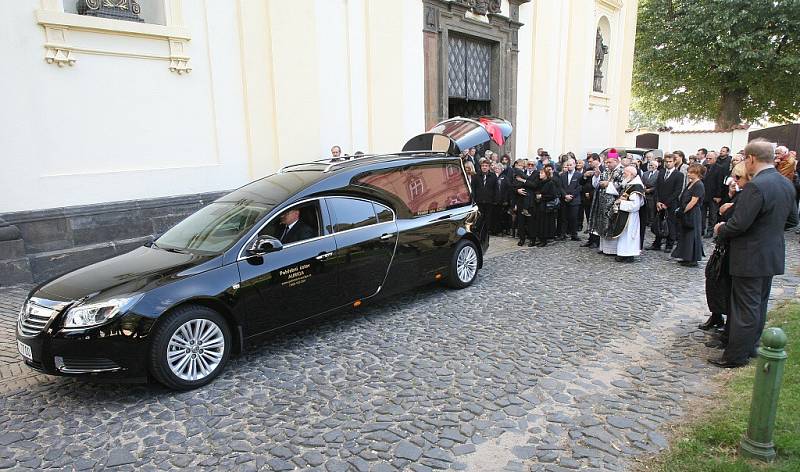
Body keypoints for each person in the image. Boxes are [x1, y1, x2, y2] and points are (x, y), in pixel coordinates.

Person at [710, 139, 799, 368]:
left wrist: (721, 229)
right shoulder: (785, 183)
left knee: (744, 308)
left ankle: (736, 355)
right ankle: (750, 347)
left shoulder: (756, 186)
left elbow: (739, 225)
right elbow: (791, 220)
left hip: (749, 255)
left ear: (750, 159)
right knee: (758, 304)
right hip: (770, 254)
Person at [701, 162, 750, 340]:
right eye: (733, 178)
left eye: (737, 178)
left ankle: (726, 324)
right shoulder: (735, 195)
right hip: (722, 247)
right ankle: (715, 315)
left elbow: (735, 220)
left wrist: (724, 221)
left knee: (724, 286)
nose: (733, 181)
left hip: (731, 248)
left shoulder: (745, 197)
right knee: (712, 279)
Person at [603, 166, 645, 262]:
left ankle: (629, 255)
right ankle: (622, 253)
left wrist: (621, 202)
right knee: (624, 235)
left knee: (629, 235)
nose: (623, 175)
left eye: (625, 173)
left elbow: (636, 205)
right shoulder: (630, 184)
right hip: (625, 214)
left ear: (631, 174)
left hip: (631, 216)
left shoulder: (636, 186)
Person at [586, 152, 623, 252]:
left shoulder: (621, 171)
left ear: (616, 161)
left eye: (609, 162)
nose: (607, 165)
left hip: (613, 202)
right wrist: (597, 177)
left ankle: (612, 250)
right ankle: (604, 248)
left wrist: (608, 184)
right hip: (602, 202)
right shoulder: (606, 171)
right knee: (602, 224)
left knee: (611, 224)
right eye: (606, 162)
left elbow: (622, 185)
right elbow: (597, 184)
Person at [671, 164, 706, 267]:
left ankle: (693, 258)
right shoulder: (691, 183)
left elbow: (693, 201)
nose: (689, 174)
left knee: (692, 234)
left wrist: (684, 211)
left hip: (693, 212)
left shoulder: (699, 185)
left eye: (691, 172)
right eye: (689, 172)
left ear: (697, 174)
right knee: (685, 234)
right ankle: (686, 256)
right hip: (686, 211)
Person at [649, 154, 683, 252]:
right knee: (658, 222)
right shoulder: (661, 172)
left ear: (674, 162)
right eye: (666, 162)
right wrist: (658, 201)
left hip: (671, 203)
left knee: (670, 224)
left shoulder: (679, 175)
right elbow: (657, 188)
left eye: (670, 161)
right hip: (660, 202)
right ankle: (657, 243)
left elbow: (677, 191)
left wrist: (666, 203)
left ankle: (669, 244)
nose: (668, 163)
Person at [531, 167, 558, 247]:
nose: (540, 175)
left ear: (546, 175)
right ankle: (540, 238)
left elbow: (552, 195)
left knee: (545, 224)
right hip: (539, 205)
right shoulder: (540, 182)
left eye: (542, 173)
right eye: (540, 173)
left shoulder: (550, 183)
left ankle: (544, 240)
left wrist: (542, 196)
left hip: (546, 206)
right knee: (539, 223)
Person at [471, 159, 497, 244]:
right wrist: (473, 200)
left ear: (489, 167)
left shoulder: (493, 176)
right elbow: (473, 189)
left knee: (488, 219)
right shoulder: (476, 176)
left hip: (489, 202)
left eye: (486, 166)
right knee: (480, 219)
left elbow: (496, 189)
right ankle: (478, 235)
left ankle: (485, 235)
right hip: (479, 201)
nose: (484, 167)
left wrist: (495, 199)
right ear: (480, 167)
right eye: (483, 166)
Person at [559, 158, 582, 241]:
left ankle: (574, 234)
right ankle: (563, 234)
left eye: (570, 165)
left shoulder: (579, 175)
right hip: (564, 199)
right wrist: (565, 195)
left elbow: (579, 187)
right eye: (567, 165)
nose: (569, 166)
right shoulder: (562, 175)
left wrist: (571, 196)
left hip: (574, 199)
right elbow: (560, 187)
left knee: (573, 218)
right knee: (563, 217)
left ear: (574, 165)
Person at [491, 163, 511, 235]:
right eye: (495, 168)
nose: (497, 170)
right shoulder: (492, 176)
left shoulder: (504, 177)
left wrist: (506, 199)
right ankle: (495, 230)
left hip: (502, 200)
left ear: (501, 170)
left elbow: (508, 189)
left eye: (498, 169)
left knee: (503, 216)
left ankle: (504, 230)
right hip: (494, 200)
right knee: (494, 216)